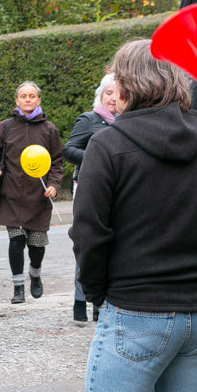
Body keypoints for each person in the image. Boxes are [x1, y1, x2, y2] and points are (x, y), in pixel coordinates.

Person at [71, 39, 197, 392]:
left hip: (135, 310)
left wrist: (97, 294)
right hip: (196, 312)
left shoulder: (108, 145)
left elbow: (88, 233)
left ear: (125, 86)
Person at [0, 81, 63, 305]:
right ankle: (18, 287)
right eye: (23, 96)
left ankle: (35, 274)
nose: (27, 99)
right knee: (16, 240)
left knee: (37, 244)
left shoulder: (49, 129)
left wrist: (54, 185)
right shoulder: (5, 127)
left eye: (32, 96)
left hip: (39, 196)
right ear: (17, 100)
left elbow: (57, 162)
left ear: (39, 100)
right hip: (11, 194)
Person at [63, 74, 117, 324]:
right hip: (89, 186)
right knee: (88, 241)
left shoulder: (128, 121)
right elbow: (69, 149)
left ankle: (102, 303)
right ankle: (79, 301)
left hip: (118, 188)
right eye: (109, 93)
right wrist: (98, 157)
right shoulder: (89, 119)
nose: (114, 98)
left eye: (119, 92)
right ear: (101, 95)